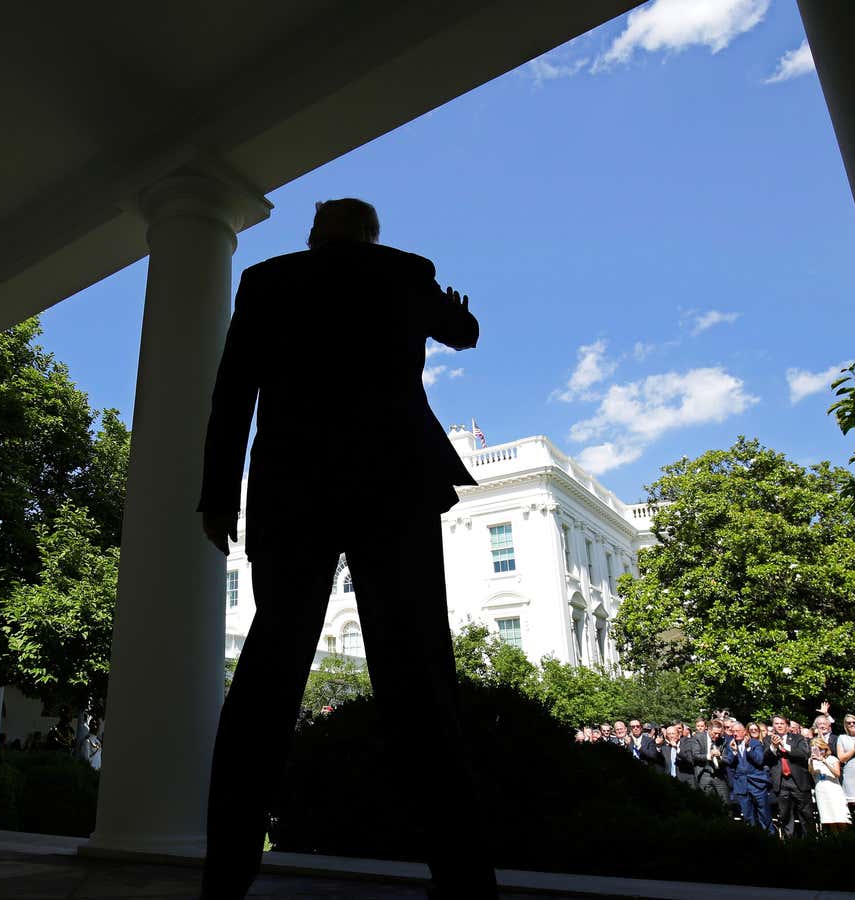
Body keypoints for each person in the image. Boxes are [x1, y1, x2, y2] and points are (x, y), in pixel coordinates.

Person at [198, 198, 495, 900]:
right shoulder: (406, 271)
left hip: (292, 485)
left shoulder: (268, 280)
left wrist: (218, 495)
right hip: (396, 480)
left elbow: (232, 391)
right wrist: (450, 306)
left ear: (312, 234)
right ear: (372, 234)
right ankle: (463, 879)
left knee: (269, 672)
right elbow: (465, 334)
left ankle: (226, 878)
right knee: (420, 671)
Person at [766, 715, 814, 839]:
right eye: (776, 724)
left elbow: (804, 754)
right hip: (781, 783)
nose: (779, 726)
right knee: (785, 815)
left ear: (787, 726)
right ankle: (790, 843)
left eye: (782, 723)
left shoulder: (798, 738)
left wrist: (784, 745)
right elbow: (764, 759)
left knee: (806, 815)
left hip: (798, 782)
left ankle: (810, 841)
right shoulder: (768, 739)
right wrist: (774, 747)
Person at [725, 721, 773, 832]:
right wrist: (734, 752)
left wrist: (747, 749)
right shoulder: (731, 744)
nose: (734, 734)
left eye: (737, 731)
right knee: (747, 816)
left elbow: (760, 760)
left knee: (764, 815)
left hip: (756, 784)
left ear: (744, 732)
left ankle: (770, 839)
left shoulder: (754, 743)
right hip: (741, 785)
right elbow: (730, 763)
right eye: (733, 731)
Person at [683, 718, 731, 805]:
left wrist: (719, 756)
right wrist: (709, 755)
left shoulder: (722, 740)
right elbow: (695, 755)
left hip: (719, 774)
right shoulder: (698, 738)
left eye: (719, 734)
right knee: (708, 801)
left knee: (726, 801)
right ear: (709, 729)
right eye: (715, 733)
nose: (716, 736)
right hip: (704, 772)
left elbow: (726, 758)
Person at [809, 739, 850, 832]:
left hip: (834, 790)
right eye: (815, 749)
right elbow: (811, 771)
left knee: (841, 818)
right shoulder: (811, 761)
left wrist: (824, 761)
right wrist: (812, 760)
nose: (819, 752)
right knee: (829, 819)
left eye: (821, 749)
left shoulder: (832, 759)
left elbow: (837, 774)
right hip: (821, 791)